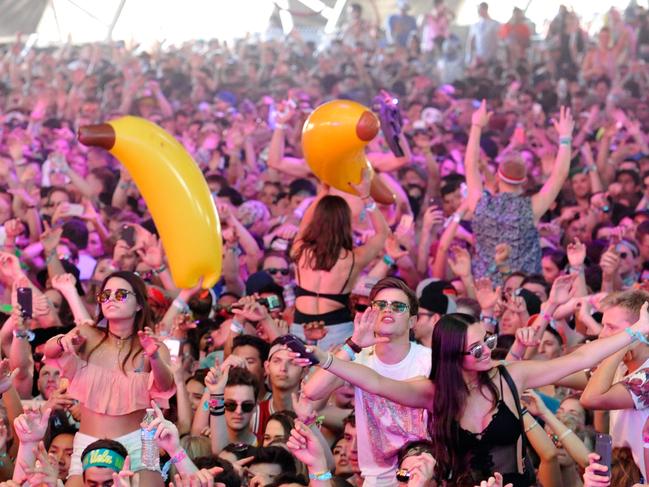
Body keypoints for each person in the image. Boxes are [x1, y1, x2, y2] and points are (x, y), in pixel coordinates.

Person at [302, 277, 649, 485]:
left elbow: (578, 358)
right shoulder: (433, 393)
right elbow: (374, 382)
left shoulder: (511, 377)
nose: (487, 351)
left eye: (488, 341)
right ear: (452, 355)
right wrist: (326, 357)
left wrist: (636, 332)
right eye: (476, 348)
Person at [42, 271, 174, 486]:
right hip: (87, 442)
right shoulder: (88, 334)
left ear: (139, 304)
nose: (111, 299)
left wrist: (154, 356)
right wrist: (62, 340)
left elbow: (166, 386)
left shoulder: (154, 346)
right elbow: (49, 352)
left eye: (121, 294)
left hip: (139, 443)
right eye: (106, 295)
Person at [303, 277, 431, 486]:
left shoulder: (429, 360)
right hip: (375, 478)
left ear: (412, 321)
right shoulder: (359, 356)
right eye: (381, 305)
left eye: (398, 306)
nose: (388, 310)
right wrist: (353, 345)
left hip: (421, 474)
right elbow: (311, 391)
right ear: (371, 313)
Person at [466, 101, 574, 283]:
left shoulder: (479, 203)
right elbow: (560, 175)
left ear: (498, 178)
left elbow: (470, 166)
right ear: (524, 181)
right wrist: (565, 137)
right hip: (523, 291)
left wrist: (476, 126)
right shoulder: (530, 208)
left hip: (484, 288)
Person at [290, 171, 389, 350]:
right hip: (338, 328)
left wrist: (322, 193)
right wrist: (366, 196)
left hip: (300, 326)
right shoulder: (354, 258)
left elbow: (304, 224)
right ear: (346, 224)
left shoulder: (300, 250)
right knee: (334, 378)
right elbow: (383, 233)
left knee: (297, 377)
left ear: (317, 221)